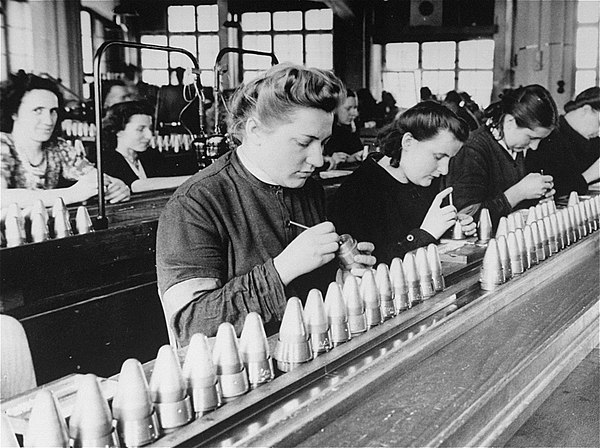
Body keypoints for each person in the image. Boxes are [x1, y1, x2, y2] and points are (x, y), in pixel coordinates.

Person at [156, 63, 376, 345]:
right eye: (303, 143)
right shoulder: (195, 205)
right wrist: (282, 268)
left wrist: (342, 274)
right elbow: (191, 325)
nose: (318, 159)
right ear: (256, 131)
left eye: (323, 143)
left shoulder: (308, 187)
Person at [330, 101, 475, 264]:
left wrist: (450, 228)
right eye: (438, 157)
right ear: (408, 142)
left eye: (450, 159)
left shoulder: (423, 179)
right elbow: (370, 267)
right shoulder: (358, 192)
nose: (445, 170)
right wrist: (425, 234)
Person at [0, 72, 130, 209]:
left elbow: (95, 177)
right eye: (38, 110)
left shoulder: (58, 147)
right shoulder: (3, 145)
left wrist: (118, 186)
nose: (48, 120)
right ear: (14, 112)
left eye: (53, 111)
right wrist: (72, 194)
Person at [446, 84, 558, 227]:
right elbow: (466, 217)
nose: (534, 147)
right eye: (531, 138)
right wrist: (519, 192)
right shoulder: (472, 149)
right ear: (510, 122)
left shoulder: (514, 147)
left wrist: (537, 198)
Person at [102, 101, 193, 192]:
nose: (149, 136)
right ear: (118, 131)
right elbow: (136, 185)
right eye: (140, 129)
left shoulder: (152, 155)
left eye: (150, 129)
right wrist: (194, 179)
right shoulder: (107, 161)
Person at [526, 87, 600, 196]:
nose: (599, 132)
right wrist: (591, 175)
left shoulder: (593, 141)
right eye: (599, 123)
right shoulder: (547, 137)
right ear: (586, 110)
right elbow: (547, 191)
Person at [323, 89, 364, 170]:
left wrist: (351, 158)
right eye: (348, 109)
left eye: (355, 108)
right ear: (334, 109)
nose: (355, 114)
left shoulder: (347, 131)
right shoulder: (323, 132)